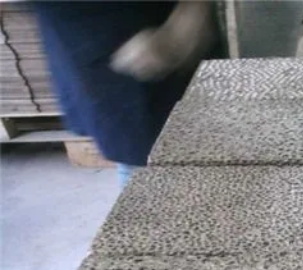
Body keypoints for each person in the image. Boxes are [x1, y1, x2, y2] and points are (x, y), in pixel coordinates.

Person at [32, 1, 227, 185]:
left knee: (201, 148)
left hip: (166, 33)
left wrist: (193, 12)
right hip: (95, 45)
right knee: (142, 161)